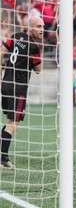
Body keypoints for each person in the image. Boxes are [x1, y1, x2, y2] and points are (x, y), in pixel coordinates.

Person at [0, 15, 44, 170]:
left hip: (5, 84)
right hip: (18, 88)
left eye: (43, 27)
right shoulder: (34, 46)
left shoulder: (16, 36)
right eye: (38, 27)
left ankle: (3, 156)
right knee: (12, 125)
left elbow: (1, 52)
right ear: (30, 27)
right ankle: (3, 157)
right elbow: (38, 70)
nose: (42, 30)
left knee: (8, 122)